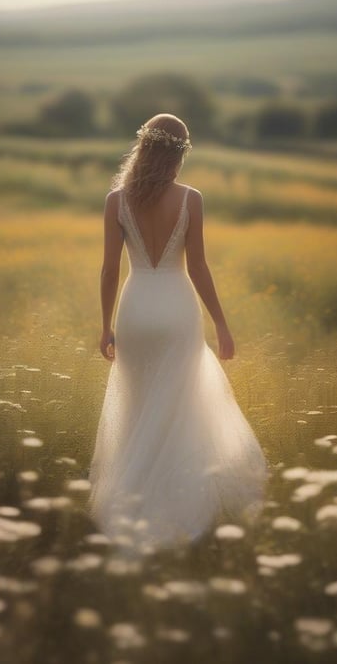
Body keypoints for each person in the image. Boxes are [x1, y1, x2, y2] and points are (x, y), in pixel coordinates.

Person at [88, 113, 269, 553]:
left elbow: (111, 269)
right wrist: (222, 325)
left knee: (138, 407)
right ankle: (179, 511)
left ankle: (129, 506)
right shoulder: (191, 199)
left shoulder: (116, 200)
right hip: (177, 310)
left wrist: (106, 324)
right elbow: (199, 267)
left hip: (135, 311)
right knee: (180, 409)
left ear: (144, 147)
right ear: (179, 154)